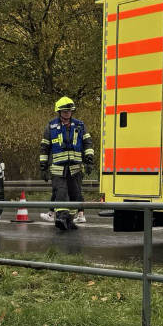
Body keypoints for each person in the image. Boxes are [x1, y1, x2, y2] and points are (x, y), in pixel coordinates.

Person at [39, 97, 94, 231]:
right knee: (61, 193)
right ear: (59, 112)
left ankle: (68, 220)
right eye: (64, 111)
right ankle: (61, 218)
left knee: (75, 195)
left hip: (75, 169)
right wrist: (43, 166)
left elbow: (88, 143)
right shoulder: (51, 126)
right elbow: (44, 148)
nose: (67, 113)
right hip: (58, 169)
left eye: (69, 111)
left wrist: (89, 159)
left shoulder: (80, 125)